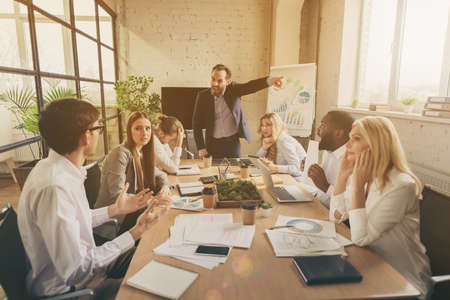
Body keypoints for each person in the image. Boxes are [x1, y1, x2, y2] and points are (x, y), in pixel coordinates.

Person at [18, 99, 169, 299]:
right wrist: (135, 232)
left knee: (154, 256)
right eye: (98, 128)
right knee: (156, 280)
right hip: (72, 290)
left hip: (83, 275)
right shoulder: (55, 187)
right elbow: (77, 270)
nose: (100, 133)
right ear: (86, 136)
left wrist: (114, 210)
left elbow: (78, 220)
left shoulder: (54, 169)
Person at [329, 116, 431, 299]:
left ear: (376, 145)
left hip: (403, 281)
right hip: (370, 265)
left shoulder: (401, 186)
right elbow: (336, 217)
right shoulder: (364, 175)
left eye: (356, 139)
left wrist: (358, 186)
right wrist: (342, 176)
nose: (347, 145)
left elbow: (360, 238)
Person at [96, 111, 172, 234]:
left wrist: (165, 187)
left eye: (147, 128)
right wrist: (152, 200)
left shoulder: (141, 152)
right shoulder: (120, 154)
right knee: (162, 228)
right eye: (138, 128)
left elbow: (161, 175)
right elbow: (117, 194)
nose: (144, 133)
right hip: (116, 221)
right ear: (129, 132)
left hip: (132, 214)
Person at [192, 64, 284, 159]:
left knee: (234, 171)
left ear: (228, 82)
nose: (214, 83)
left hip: (232, 144)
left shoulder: (234, 89)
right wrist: (201, 147)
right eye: (213, 79)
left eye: (219, 81)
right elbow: (196, 124)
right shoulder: (203, 96)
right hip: (212, 144)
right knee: (212, 172)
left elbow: (251, 86)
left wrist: (271, 80)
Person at [302, 111, 354, 208]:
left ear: (338, 133)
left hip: (337, 215)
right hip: (320, 201)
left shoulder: (352, 160)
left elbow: (349, 205)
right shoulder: (329, 151)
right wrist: (312, 171)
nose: (317, 131)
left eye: (323, 125)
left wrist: (326, 187)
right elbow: (327, 177)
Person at [256, 112, 306, 180]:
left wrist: (274, 167)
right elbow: (257, 163)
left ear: (276, 126)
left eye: (268, 125)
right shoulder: (271, 139)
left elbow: (296, 169)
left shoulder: (283, 141)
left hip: (296, 180)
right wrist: (264, 148)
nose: (264, 128)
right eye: (262, 125)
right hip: (283, 177)